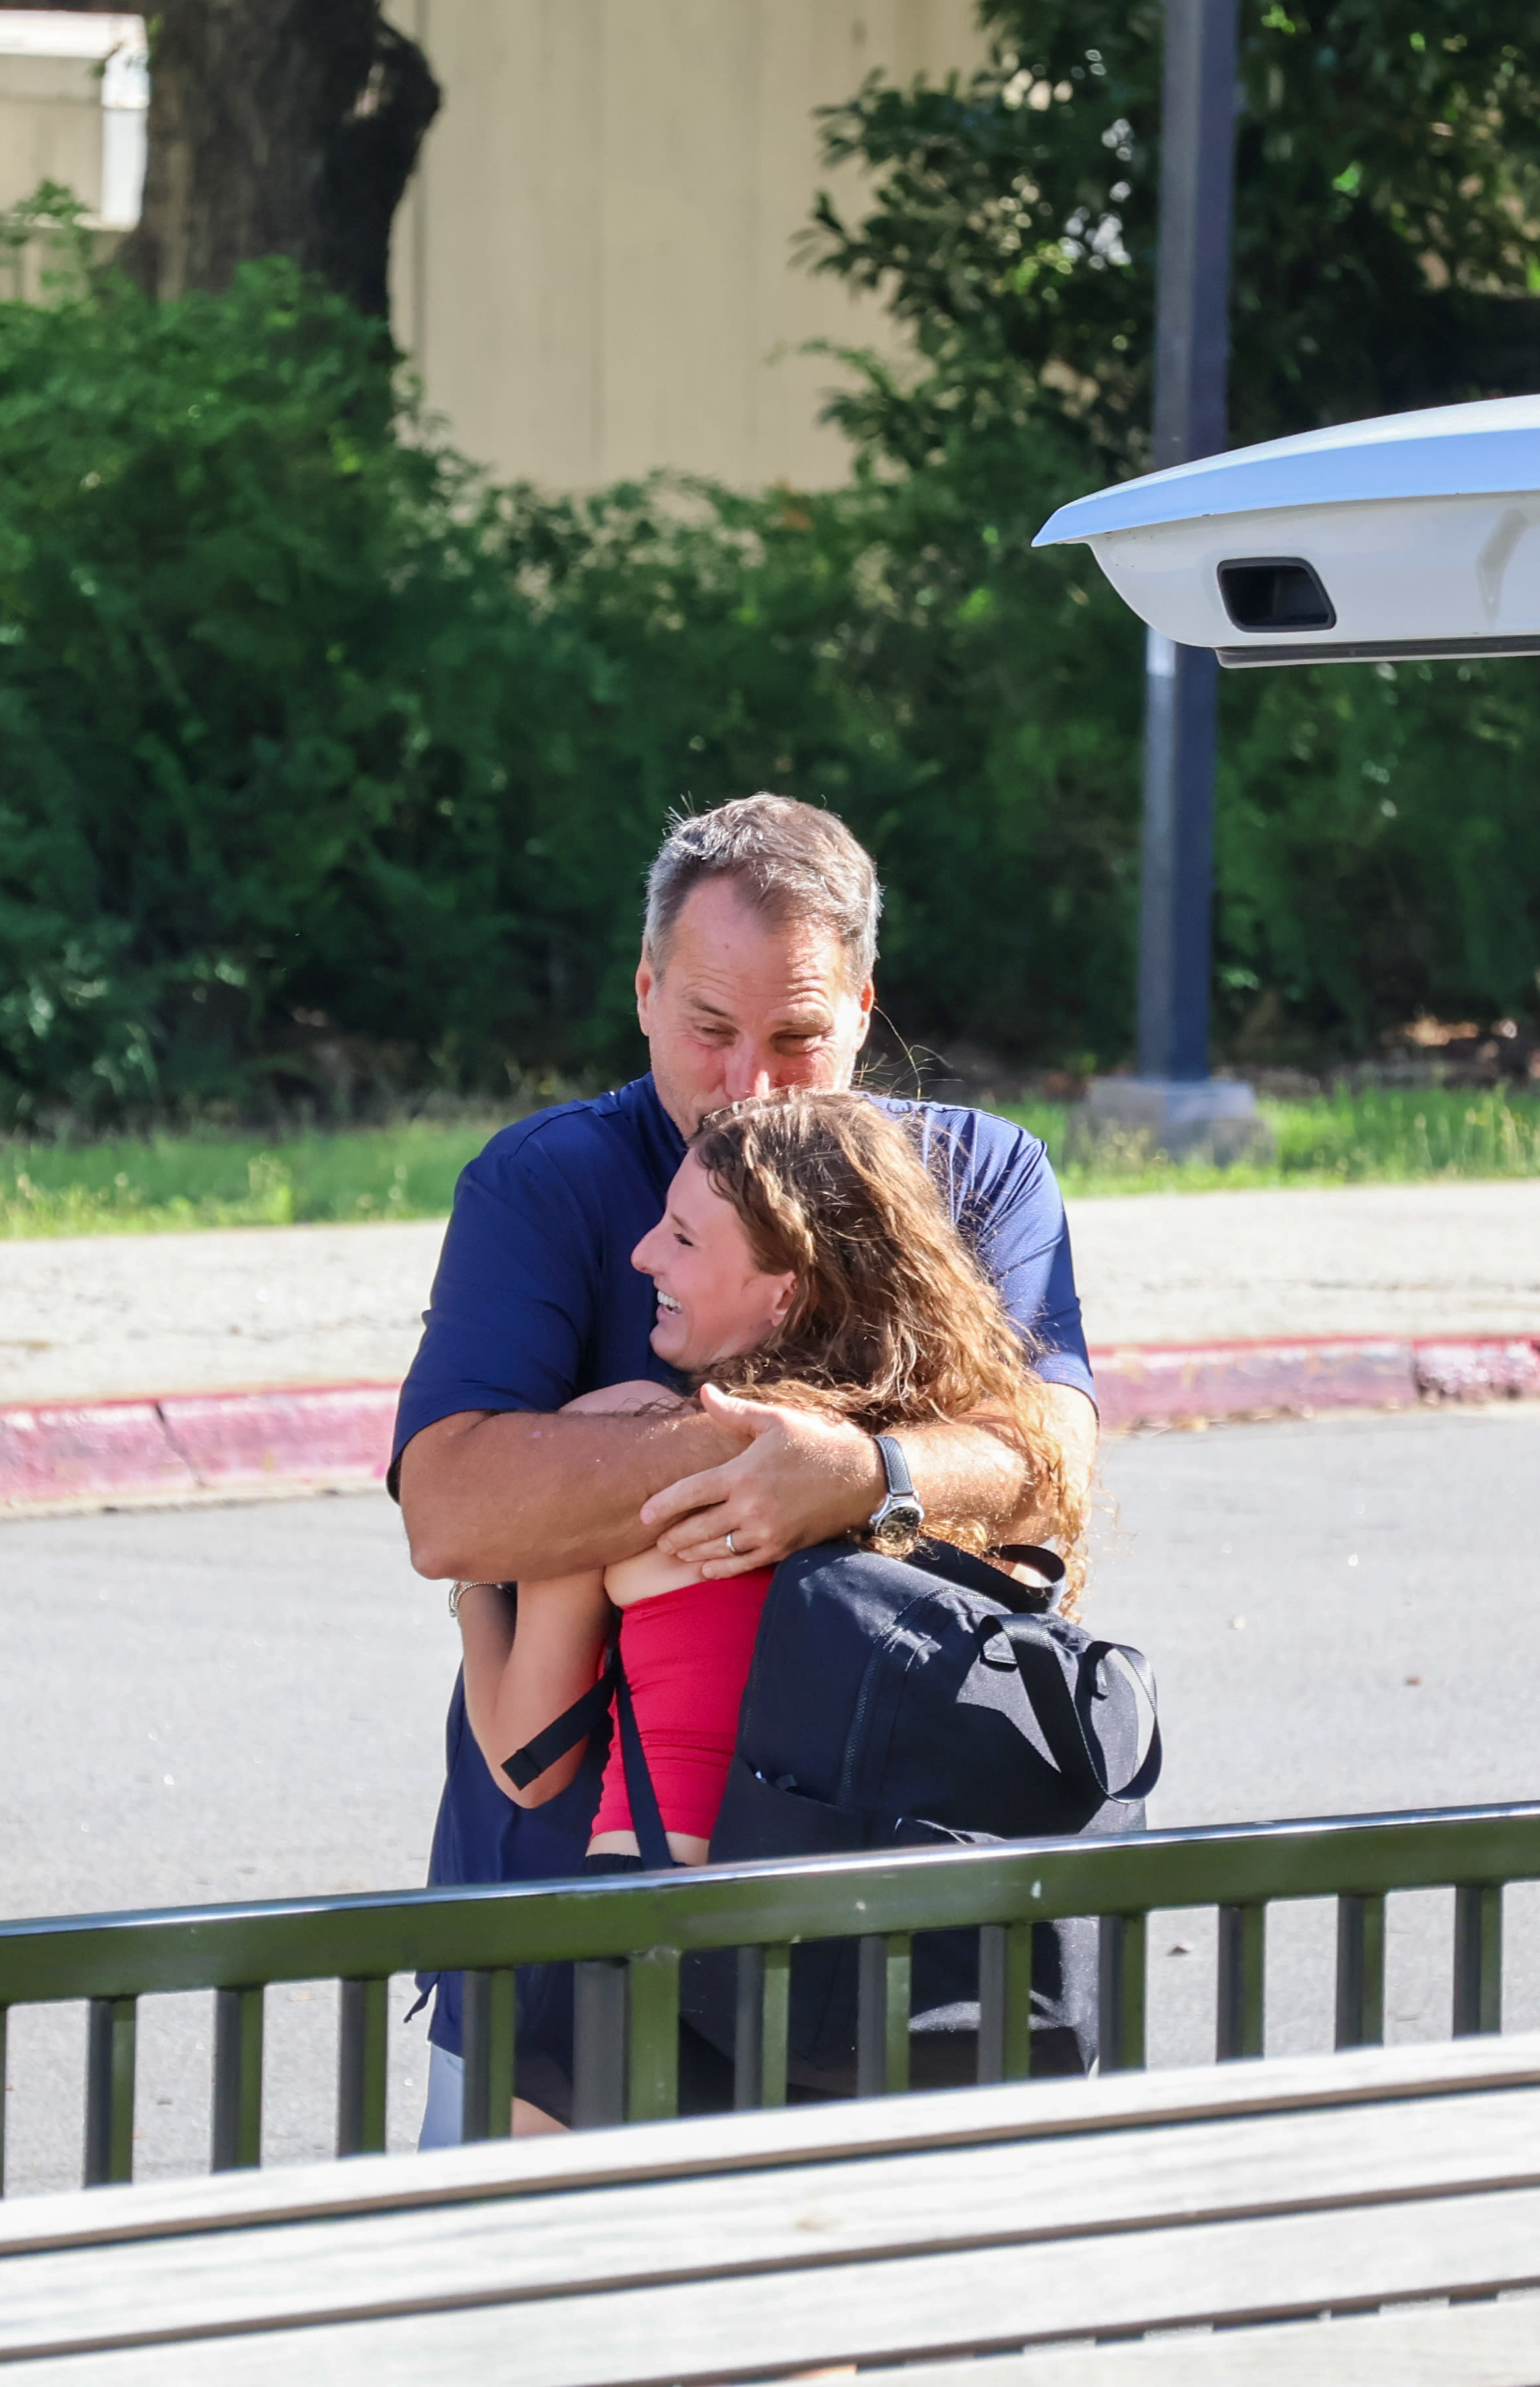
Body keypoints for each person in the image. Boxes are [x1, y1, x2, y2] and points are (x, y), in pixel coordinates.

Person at [394, 793, 1098, 2144]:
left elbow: (1054, 1460)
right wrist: (776, 1453)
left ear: (865, 1008)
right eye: (710, 1031)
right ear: (645, 991)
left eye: (797, 1039)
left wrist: (857, 1471)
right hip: (563, 1942)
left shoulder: (982, 1170)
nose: (750, 1090)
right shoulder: (545, 1182)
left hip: (891, 1942)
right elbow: (451, 1504)